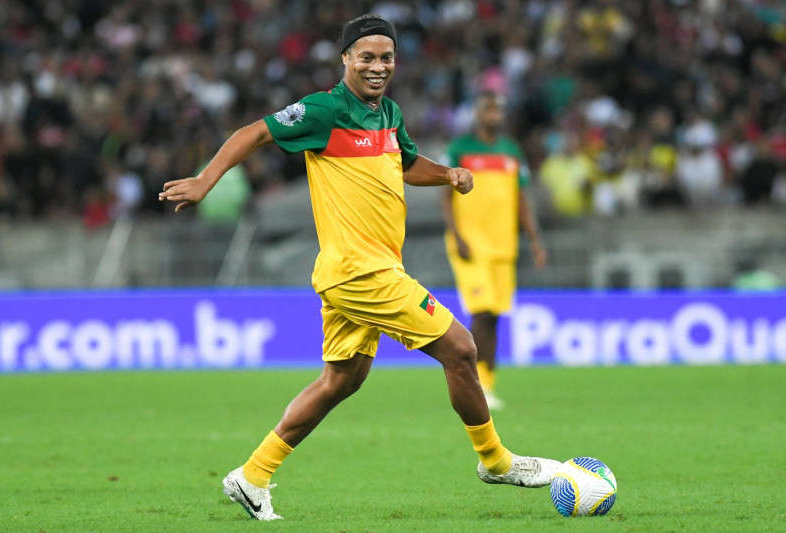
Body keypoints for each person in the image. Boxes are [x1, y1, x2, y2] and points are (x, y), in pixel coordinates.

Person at [159, 15, 560, 521]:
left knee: (342, 379)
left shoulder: (388, 113)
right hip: (360, 271)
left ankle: (253, 475)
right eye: (366, 56)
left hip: (364, 269)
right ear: (345, 58)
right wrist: (204, 180)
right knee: (461, 348)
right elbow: (255, 133)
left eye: (386, 57)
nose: (377, 66)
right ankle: (496, 461)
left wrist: (449, 173)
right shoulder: (324, 110)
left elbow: (407, 163)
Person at [441, 91, 546, 410]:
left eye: (499, 108)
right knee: (482, 310)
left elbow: (520, 198)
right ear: (477, 113)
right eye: (488, 108)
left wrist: (535, 238)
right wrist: (456, 233)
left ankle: (487, 384)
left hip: (504, 245)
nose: (494, 113)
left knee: (495, 315)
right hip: (471, 244)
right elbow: (445, 196)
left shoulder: (511, 151)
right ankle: (474, 383)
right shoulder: (460, 149)